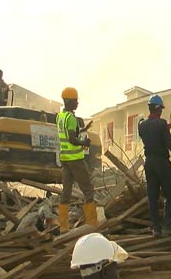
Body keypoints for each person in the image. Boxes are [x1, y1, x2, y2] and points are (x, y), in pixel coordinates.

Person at [57, 87, 97, 233]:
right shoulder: (72, 118)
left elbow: (69, 133)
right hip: (75, 159)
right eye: (75, 101)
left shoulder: (61, 117)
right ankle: (92, 224)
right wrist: (84, 143)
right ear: (68, 101)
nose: (77, 103)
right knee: (88, 189)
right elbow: (72, 139)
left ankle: (63, 226)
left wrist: (83, 129)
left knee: (66, 191)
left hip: (65, 159)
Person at [138, 94, 171, 236]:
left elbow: (149, 134)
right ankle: (167, 225)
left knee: (152, 195)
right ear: (159, 109)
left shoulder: (142, 125)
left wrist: (163, 128)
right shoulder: (162, 124)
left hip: (149, 163)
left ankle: (155, 228)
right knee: (170, 194)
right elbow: (168, 143)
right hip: (161, 162)